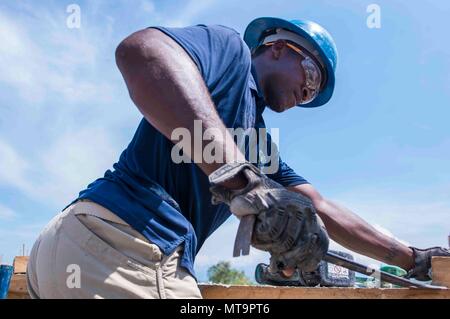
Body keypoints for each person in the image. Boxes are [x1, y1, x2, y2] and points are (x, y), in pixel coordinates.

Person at [26, 17, 449, 298]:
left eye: (314, 94)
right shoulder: (228, 54)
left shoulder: (259, 145)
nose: (308, 94)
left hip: (78, 246)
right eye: (313, 76)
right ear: (278, 48)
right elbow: (141, 50)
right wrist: (242, 183)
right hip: (124, 245)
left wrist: (412, 258)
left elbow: (320, 207)